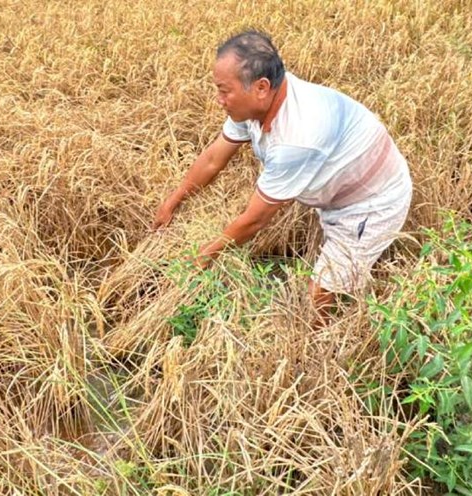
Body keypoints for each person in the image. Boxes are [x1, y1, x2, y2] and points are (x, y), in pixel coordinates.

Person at [151, 30, 412, 320]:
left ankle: (321, 341)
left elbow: (256, 220)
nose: (219, 100)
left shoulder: (296, 137)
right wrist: (173, 202)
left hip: (371, 202)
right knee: (331, 274)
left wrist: (204, 256)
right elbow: (214, 159)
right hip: (342, 185)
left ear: (261, 87)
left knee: (320, 296)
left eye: (224, 91)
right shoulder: (256, 105)